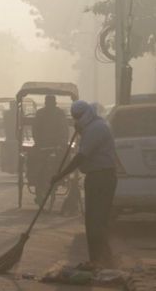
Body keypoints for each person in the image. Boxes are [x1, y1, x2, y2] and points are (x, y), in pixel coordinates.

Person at [51, 100, 117, 269]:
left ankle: (99, 261)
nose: (76, 120)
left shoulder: (96, 129)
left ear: (86, 114)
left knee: (96, 220)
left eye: (78, 117)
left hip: (101, 178)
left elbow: (81, 156)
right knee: (94, 220)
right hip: (96, 177)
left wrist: (60, 175)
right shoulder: (92, 127)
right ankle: (100, 260)